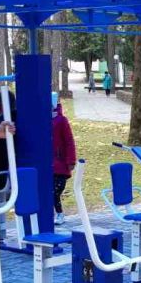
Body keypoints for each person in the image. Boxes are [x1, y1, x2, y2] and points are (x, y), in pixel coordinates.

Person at [51, 92, 77, 225]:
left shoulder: (61, 120)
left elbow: (69, 141)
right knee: (49, 192)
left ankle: (60, 213)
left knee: (55, 191)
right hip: (48, 164)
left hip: (60, 165)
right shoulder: (44, 119)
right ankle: (54, 213)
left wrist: (71, 160)